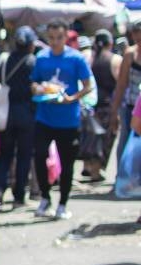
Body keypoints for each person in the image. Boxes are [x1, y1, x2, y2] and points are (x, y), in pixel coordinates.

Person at [30, 19, 94, 220]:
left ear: (66, 37)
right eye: (51, 38)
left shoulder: (76, 59)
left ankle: (63, 203)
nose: (55, 42)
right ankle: (45, 197)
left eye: (59, 37)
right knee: (39, 156)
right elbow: (34, 82)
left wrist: (72, 99)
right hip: (44, 117)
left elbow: (88, 85)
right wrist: (38, 88)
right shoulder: (41, 58)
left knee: (67, 164)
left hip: (68, 120)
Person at [0, 26, 38, 207]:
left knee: (5, 153)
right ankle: (19, 196)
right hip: (27, 114)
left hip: (6, 114)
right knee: (24, 155)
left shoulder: (4, 60)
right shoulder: (33, 62)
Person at [84, 29, 121, 181]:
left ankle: (88, 167)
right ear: (110, 43)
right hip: (107, 106)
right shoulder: (115, 59)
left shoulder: (88, 58)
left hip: (89, 104)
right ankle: (95, 171)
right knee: (104, 138)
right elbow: (120, 84)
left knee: (90, 137)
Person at [110, 21, 141, 166]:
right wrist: (114, 111)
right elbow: (121, 84)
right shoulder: (130, 54)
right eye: (136, 36)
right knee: (126, 144)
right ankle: (122, 180)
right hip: (131, 107)